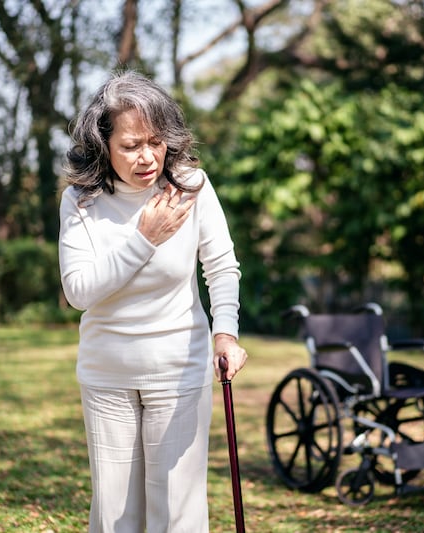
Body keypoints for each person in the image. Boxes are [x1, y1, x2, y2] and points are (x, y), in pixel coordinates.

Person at [58, 69, 248, 533]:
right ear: (104, 144)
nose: (147, 157)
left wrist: (225, 333)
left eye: (156, 141)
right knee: (115, 514)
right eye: (130, 145)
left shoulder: (191, 188)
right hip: (108, 375)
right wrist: (143, 238)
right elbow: (78, 291)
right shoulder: (81, 201)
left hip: (179, 368)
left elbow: (221, 266)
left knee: (176, 513)